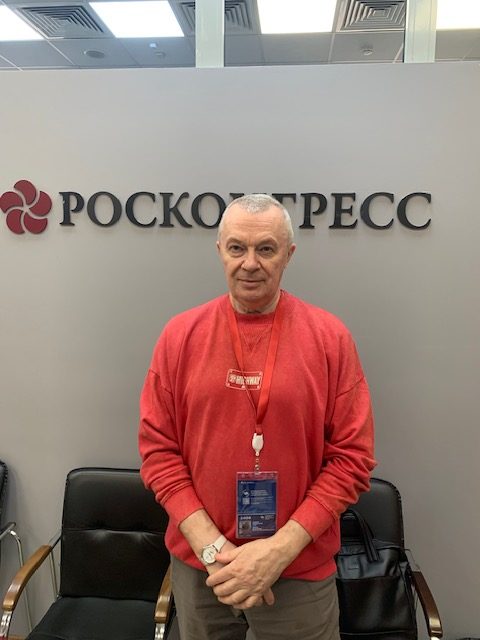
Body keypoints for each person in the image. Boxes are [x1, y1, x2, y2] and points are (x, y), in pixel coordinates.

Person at [139, 193, 376, 640]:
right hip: (204, 570)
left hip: (298, 571)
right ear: (220, 251)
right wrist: (215, 550)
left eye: (266, 248)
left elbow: (352, 459)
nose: (250, 263)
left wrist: (277, 552)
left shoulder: (330, 338)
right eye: (237, 248)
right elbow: (158, 453)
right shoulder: (179, 335)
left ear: (288, 254)